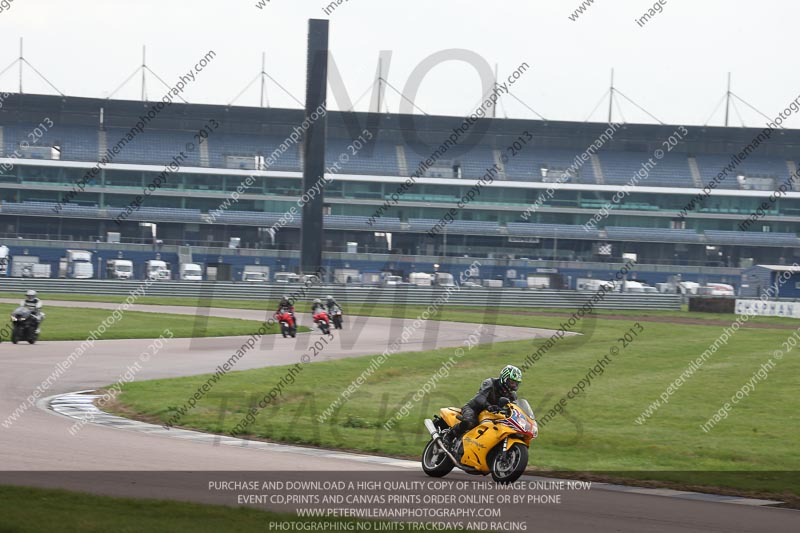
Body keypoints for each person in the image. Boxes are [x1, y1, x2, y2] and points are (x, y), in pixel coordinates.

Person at [448, 365, 522, 444]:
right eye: (512, 382)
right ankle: (450, 435)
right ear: (504, 378)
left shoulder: (512, 395)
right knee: (470, 422)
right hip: (474, 409)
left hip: (492, 416)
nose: (514, 385)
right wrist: (489, 406)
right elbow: (479, 398)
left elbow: (514, 408)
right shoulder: (490, 383)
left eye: (516, 383)